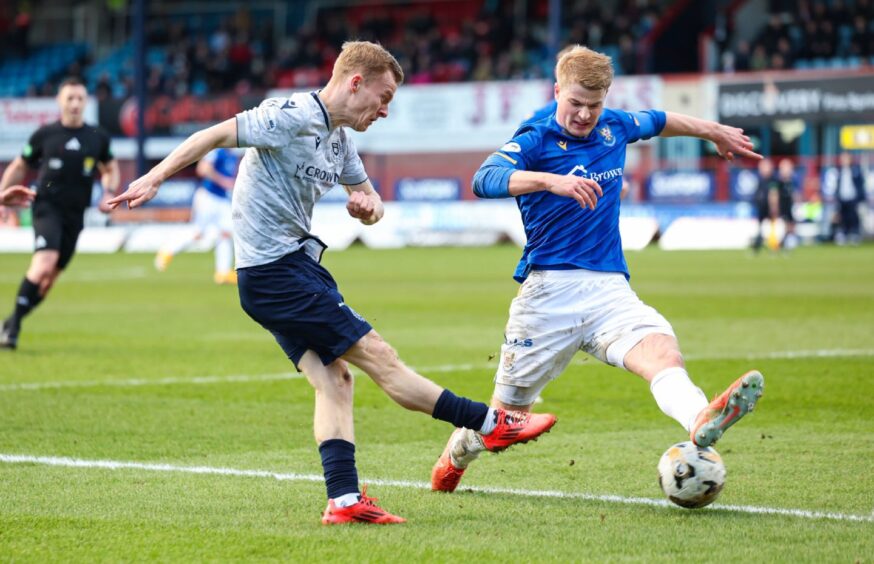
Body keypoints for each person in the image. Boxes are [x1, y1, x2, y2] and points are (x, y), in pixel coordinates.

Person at [107, 41, 556, 525]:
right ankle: (490, 423)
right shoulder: (289, 115)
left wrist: (369, 209)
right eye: (383, 98)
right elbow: (213, 135)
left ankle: (343, 501)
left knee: (335, 380)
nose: (385, 111)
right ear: (354, 82)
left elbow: (371, 199)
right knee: (379, 356)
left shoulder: (340, 140)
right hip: (275, 273)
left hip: (291, 269)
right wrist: (153, 179)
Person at [431, 45, 766, 493]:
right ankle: (457, 454)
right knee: (501, 423)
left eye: (594, 105)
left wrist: (713, 132)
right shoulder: (535, 138)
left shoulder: (614, 126)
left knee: (664, 353)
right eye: (575, 103)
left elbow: (660, 120)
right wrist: (552, 180)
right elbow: (483, 179)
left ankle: (699, 418)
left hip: (610, 289)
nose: (585, 115)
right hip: (548, 296)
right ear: (556, 92)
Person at [0, 77, 119, 350]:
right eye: (70, 98)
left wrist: (109, 192)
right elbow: (19, 166)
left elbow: (110, 168)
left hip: (75, 215)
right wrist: (3, 198)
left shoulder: (97, 137)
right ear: (60, 102)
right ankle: (13, 329)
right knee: (44, 262)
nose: (75, 103)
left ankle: (11, 320)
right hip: (46, 207)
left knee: (48, 280)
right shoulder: (45, 135)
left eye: (80, 98)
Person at [154, 147, 241, 284]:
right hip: (208, 196)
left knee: (226, 233)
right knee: (198, 232)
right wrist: (223, 181)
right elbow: (203, 169)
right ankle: (167, 250)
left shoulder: (233, 155)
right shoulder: (218, 151)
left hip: (222, 199)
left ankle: (222, 273)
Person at [752, 157, 798, 252]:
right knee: (768, 227)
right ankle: (766, 243)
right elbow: (772, 194)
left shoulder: (777, 181)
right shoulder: (765, 181)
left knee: (784, 225)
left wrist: (774, 206)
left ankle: (780, 243)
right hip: (766, 207)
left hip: (781, 208)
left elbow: (775, 194)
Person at [834, 151, 866, 246]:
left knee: (853, 217)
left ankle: (854, 234)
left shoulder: (855, 170)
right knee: (843, 217)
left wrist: (860, 198)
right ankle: (843, 234)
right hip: (842, 197)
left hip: (853, 198)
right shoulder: (839, 171)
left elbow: (860, 185)